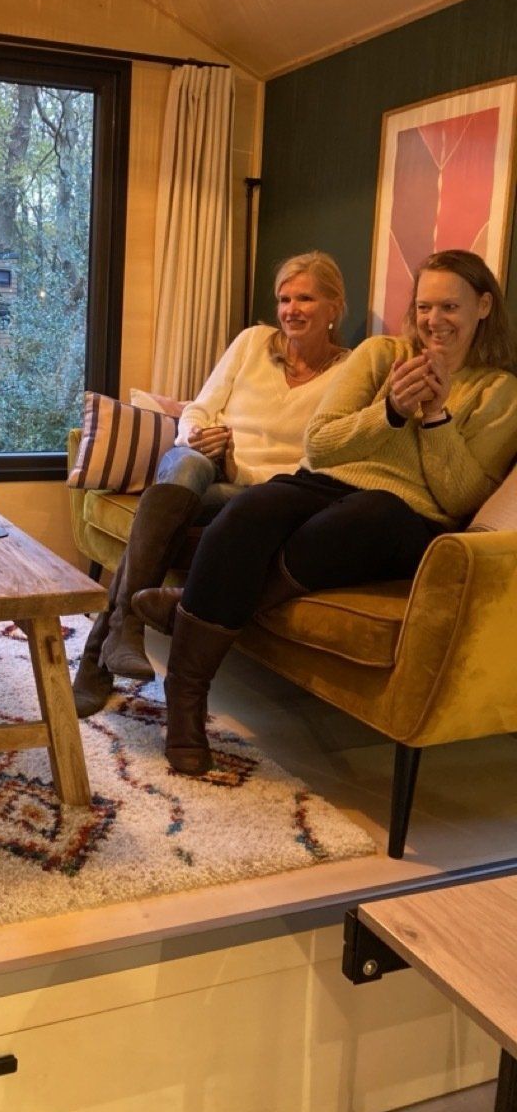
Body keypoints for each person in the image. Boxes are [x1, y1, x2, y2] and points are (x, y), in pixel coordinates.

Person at [132, 249, 517, 776]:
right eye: (424, 307)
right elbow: (321, 442)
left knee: (365, 514)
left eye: (449, 307)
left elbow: (459, 498)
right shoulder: (381, 354)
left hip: (406, 518)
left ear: (484, 306)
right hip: (323, 481)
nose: (434, 321)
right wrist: (390, 411)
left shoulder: (500, 392)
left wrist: (434, 417)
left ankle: (190, 613)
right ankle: (185, 702)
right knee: (247, 511)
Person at [73, 250, 349, 716]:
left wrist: (244, 466)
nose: (291, 310)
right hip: (204, 466)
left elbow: (324, 452)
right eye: (284, 299)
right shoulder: (253, 342)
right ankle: (126, 628)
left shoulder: (350, 371)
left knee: (159, 517)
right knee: (185, 465)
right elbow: (200, 408)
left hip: (261, 494)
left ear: (334, 307)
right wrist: (198, 436)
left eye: (305, 298)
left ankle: (98, 655)